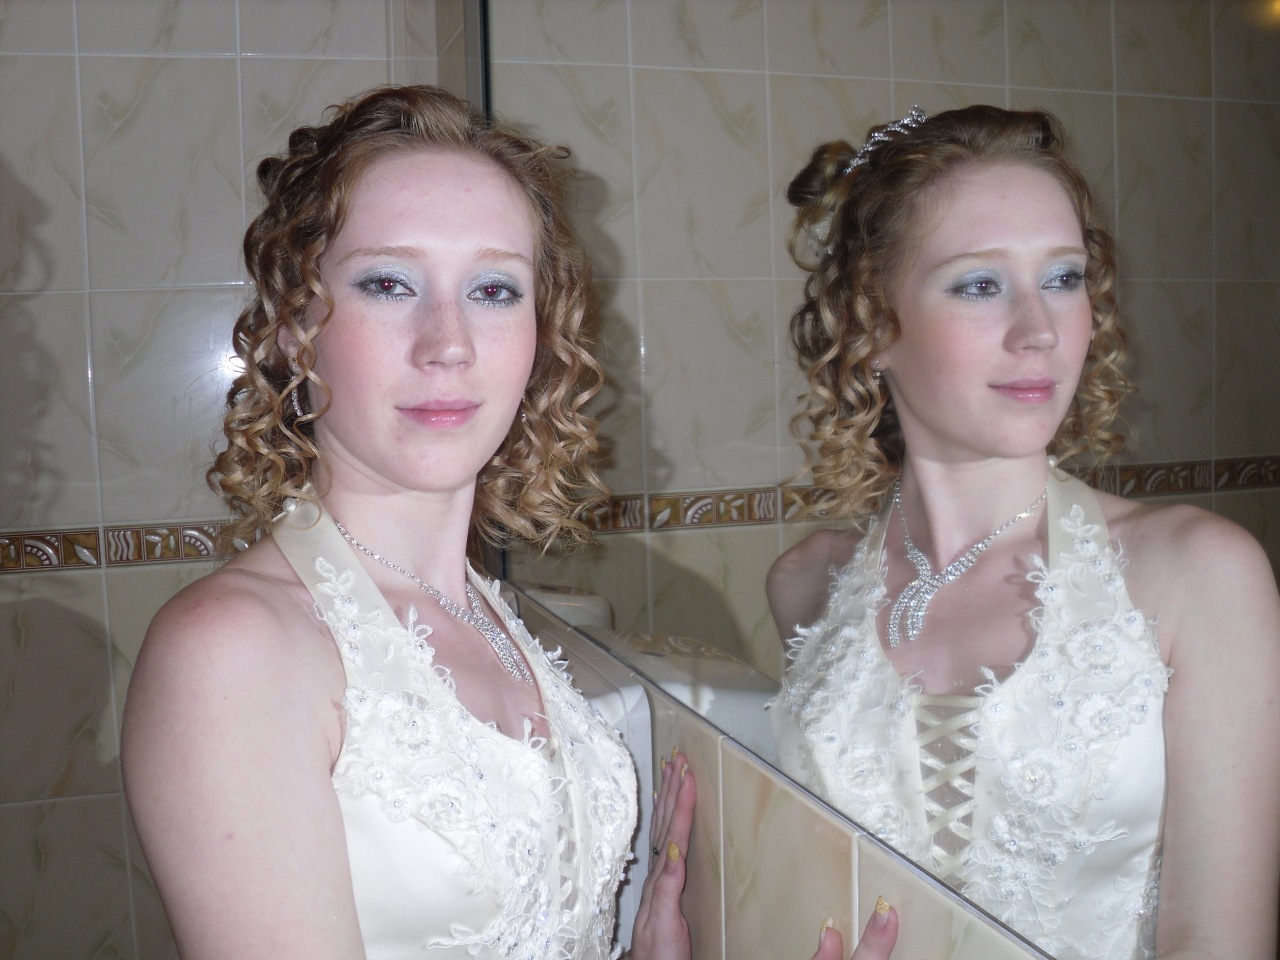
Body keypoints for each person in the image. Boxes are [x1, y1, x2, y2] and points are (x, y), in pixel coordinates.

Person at [121, 84, 695, 960]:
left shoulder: (489, 613)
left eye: (494, 289)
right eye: (388, 283)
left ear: (540, 334)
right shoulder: (232, 650)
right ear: (294, 327)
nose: (449, 343)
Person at [767, 105, 1280, 960]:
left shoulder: (1196, 575)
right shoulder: (807, 584)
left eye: (1064, 278)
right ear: (871, 326)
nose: (1039, 330)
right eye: (980, 285)